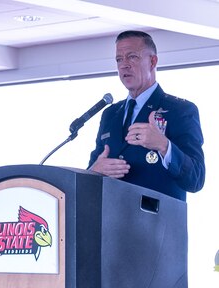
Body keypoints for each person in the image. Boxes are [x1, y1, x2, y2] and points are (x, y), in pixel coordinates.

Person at [88, 30, 205, 201]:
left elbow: (196, 178)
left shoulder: (181, 110)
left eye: (132, 57)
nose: (124, 65)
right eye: (119, 59)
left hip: (157, 224)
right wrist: (94, 171)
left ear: (152, 61)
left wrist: (164, 146)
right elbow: (92, 169)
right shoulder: (110, 114)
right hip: (111, 222)